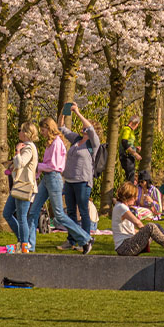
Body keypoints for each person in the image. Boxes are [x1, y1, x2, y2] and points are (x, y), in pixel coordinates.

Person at [28, 117, 93, 254]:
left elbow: (54, 166)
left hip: (54, 178)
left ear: (49, 128)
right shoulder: (51, 143)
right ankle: (29, 246)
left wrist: (36, 165)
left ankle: (85, 238)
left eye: (43, 129)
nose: (42, 132)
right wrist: (37, 173)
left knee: (58, 214)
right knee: (33, 211)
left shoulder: (57, 143)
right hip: (46, 178)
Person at [60, 106, 100, 251]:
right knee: (70, 212)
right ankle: (71, 240)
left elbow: (90, 129)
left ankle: (86, 240)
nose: (83, 128)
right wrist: (63, 112)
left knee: (83, 211)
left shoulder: (94, 143)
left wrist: (77, 112)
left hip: (83, 181)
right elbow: (61, 128)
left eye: (85, 127)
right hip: (69, 181)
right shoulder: (76, 139)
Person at [112, 181, 164, 256]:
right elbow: (137, 223)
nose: (135, 199)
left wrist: (145, 233)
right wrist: (147, 231)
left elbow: (131, 230)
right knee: (151, 227)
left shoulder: (121, 207)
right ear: (129, 196)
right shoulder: (121, 207)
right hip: (125, 247)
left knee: (156, 226)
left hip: (128, 244)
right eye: (135, 196)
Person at [2, 121, 39, 251]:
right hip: (18, 186)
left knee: (22, 216)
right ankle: (22, 240)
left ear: (26, 133)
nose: (19, 132)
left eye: (21, 130)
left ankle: (25, 244)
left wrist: (17, 150)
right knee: (7, 213)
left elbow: (21, 163)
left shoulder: (28, 147)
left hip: (25, 186)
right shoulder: (27, 147)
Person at [119, 116, 141, 184]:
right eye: (137, 125)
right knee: (130, 178)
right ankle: (129, 193)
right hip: (126, 156)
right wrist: (135, 154)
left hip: (129, 156)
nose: (136, 127)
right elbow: (124, 142)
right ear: (133, 123)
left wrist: (135, 148)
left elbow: (129, 144)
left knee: (131, 177)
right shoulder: (127, 129)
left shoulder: (130, 131)